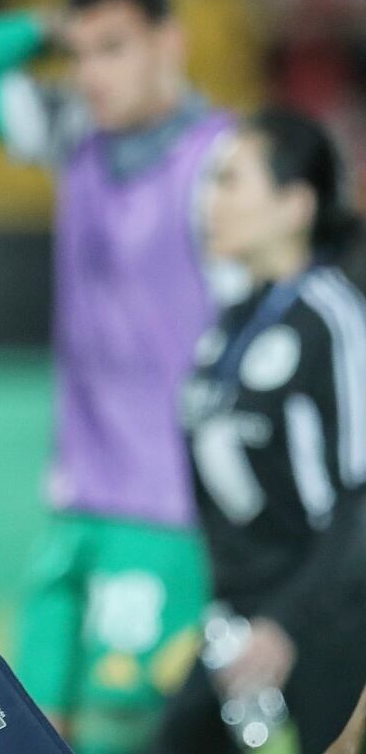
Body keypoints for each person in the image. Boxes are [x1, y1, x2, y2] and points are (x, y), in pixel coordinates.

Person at [0, 0, 236, 753]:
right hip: (77, 504)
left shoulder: (221, 164)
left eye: (114, 48)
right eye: (81, 53)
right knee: (29, 733)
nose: (90, 72)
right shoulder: (77, 136)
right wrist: (45, 29)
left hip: (168, 512)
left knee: (117, 732)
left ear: (171, 44)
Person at [154, 109, 366, 754]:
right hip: (240, 626)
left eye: (230, 181)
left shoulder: (331, 318)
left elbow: (361, 495)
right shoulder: (230, 326)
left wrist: (287, 625)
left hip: (324, 622)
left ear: (295, 204)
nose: (209, 201)